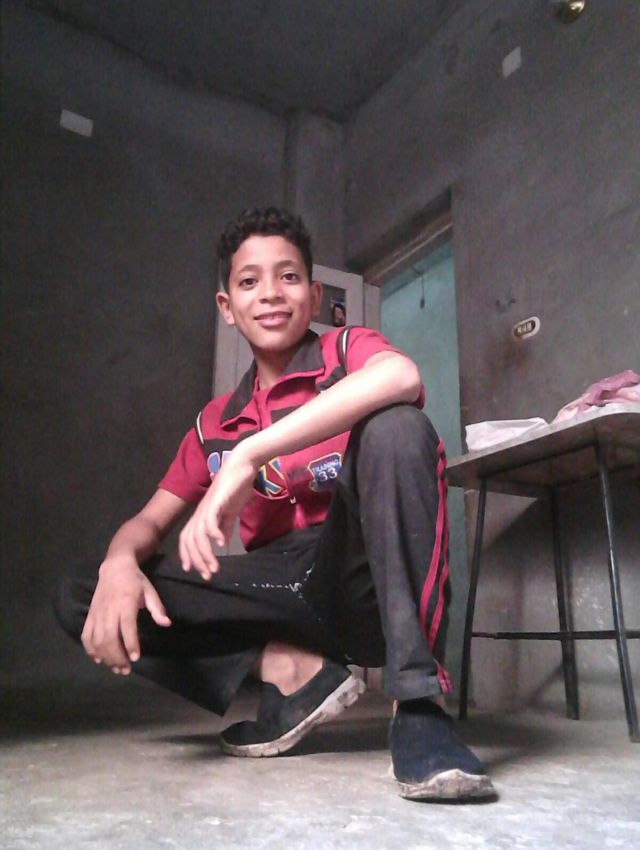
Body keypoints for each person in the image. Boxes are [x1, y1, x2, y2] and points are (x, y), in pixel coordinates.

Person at [56, 206, 495, 802]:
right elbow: (147, 522)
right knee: (85, 593)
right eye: (249, 281)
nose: (270, 293)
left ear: (313, 297)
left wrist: (249, 456)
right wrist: (118, 563)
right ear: (227, 306)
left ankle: (419, 706)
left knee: (396, 427)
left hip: (362, 579)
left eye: (288, 277)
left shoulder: (344, 352)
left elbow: (401, 378)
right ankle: (291, 672)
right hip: (277, 593)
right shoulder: (214, 425)